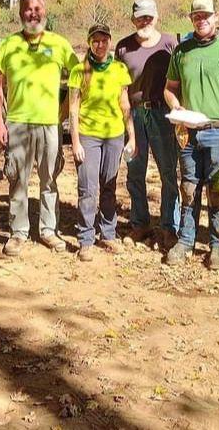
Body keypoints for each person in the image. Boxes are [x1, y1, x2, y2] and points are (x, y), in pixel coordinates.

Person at [0, 0, 79, 257]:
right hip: (17, 123)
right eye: (28, 9)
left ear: (46, 11)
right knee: (17, 180)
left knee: (49, 179)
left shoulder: (60, 44)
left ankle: (49, 230)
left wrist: (64, 112)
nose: (33, 13)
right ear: (21, 14)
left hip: (49, 125)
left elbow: (79, 77)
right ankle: (18, 233)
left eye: (38, 8)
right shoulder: (7, 45)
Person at [163, 0, 219, 270]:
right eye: (197, 16)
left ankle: (218, 244)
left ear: (216, 17)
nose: (202, 20)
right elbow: (170, 88)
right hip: (187, 132)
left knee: (217, 190)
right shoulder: (182, 51)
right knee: (189, 188)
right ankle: (185, 241)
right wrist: (176, 106)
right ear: (191, 19)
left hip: (217, 132)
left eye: (206, 16)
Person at [115, 0, 180, 246]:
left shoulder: (170, 44)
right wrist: (125, 118)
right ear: (133, 19)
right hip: (133, 115)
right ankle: (139, 224)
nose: (145, 21)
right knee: (134, 171)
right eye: (141, 17)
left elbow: (179, 81)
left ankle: (168, 226)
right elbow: (120, 87)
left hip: (163, 114)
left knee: (167, 171)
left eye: (149, 17)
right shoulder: (123, 47)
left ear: (157, 17)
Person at [68, 24, 136, 262]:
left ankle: (108, 232)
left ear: (110, 42)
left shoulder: (119, 69)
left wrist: (132, 135)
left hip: (114, 135)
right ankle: (85, 238)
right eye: (95, 41)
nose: (100, 45)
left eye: (104, 40)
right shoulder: (79, 71)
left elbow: (125, 104)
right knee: (88, 188)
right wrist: (75, 141)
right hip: (88, 135)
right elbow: (73, 110)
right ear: (89, 42)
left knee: (109, 184)